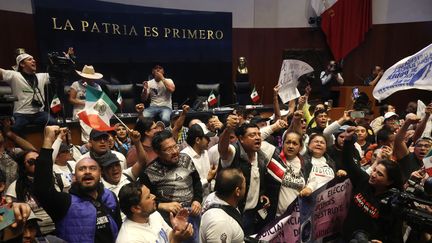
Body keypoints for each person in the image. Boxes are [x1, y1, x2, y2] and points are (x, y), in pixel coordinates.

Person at [34, 126, 122, 243]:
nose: (87, 171)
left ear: (100, 174)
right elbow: (42, 189)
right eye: (82, 169)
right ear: (74, 177)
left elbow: (119, 229)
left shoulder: (109, 196)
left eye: (92, 168)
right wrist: (48, 140)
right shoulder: (64, 202)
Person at [139, 130, 203, 243]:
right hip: (170, 219)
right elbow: (145, 200)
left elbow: (197, 182)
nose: (174, 151)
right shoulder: (150, 172)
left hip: (192, 213)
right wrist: (161, 205)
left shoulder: (186, 159)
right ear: (157, 152)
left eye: (175, 146)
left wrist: (197, 200)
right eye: (168, 149)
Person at [342, 127, 403, 242]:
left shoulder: (392, 203)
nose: (373, 175)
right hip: (347, 238)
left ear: (390, 181)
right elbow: (348, 162)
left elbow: (394, 233)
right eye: (375, 170)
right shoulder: (364, 180)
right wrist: (348, 140)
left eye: (380, 174)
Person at [218, 115, 271, 235]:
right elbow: (222, 150)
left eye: (258, 134)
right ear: (241, 139)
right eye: (252, 135)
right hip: (232, 213)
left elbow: (256, 182)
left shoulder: (261, 157)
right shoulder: (234, 152)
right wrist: (227, 130)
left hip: (252, 215)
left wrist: (261, 195)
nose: (257, 138)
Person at [116, 183, 193, 243]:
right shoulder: (130, 239)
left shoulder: (153, 215)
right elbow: (174, 241)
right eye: (148, 197)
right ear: (136, 208)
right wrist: (177, 240)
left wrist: (177, 230)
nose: (154, 196)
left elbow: (168, 238)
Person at [0, 53, 57, 133]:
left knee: (55, 124)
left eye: (33, 59)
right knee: (13, 130)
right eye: (29, 59)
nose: (33, 61)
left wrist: (68, 59)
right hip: (21, 114)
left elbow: (58, 74)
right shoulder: (14, 76)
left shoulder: (42, 76)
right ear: (22, 64)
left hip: (39, 113)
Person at [265, 131, 305, 220]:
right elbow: (260, 140)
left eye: (295, 143)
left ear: (300, 147)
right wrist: (274, 127)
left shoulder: (305, 164)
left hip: (295, 217)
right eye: (288, 142)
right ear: (282, 144)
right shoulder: (273, 157)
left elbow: (312, 182)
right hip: (274, 216)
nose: (291, 146)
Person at [200, 168, 246, 243]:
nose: (245, 188)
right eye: (244, 185)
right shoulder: (220, 222)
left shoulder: (214, 196)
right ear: (237, 191)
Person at [181, 124, 217, 201]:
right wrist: (207, 180)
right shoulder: (184, 157)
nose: (210, 140)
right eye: (206, 138)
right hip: (193, 202)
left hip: (208, 199)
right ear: (197, 140)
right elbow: (186, 187)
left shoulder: (205, 153)